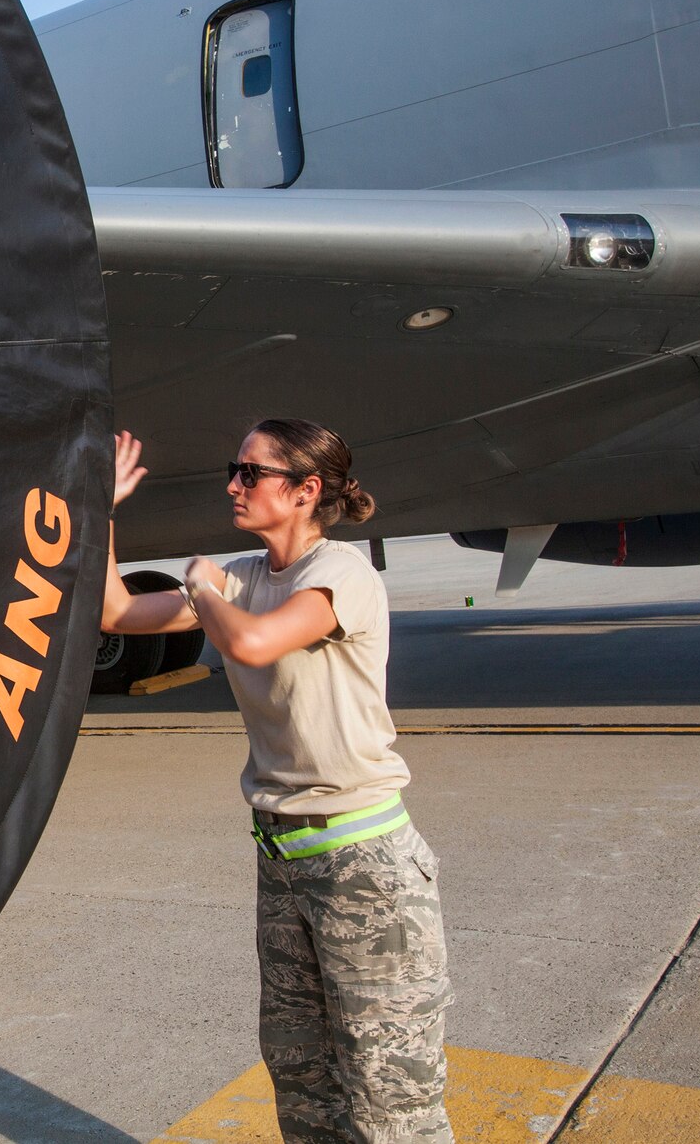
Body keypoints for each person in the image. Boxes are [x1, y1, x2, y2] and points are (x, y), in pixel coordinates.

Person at [103, 421, 452, 1144]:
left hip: (365, 866)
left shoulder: (341, 575)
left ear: (305, 490)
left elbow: (253, 640)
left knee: (391, 1096)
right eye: (234, 470)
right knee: (302, 1082)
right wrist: (99, 510)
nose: (233, 484)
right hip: (283, 860)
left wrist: (199, 585)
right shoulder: (243, 577)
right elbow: (115, 612)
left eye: (250, 472)